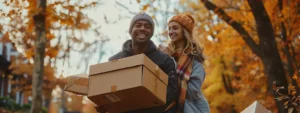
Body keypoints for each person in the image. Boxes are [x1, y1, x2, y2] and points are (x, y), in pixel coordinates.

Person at [99, 12, 178, 113]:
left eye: (147, 26)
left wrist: (143, 98)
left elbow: (173, 91)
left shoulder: (164, 60)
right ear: (131, 30)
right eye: (138, 25)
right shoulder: (114, 61)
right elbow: (107, 91)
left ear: (151, 33)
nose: (142, 28)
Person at [158, 13, 210, 113]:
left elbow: (190, 92)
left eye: (175, 28)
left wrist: (168, 60)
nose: (171, 32)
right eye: (169, 29)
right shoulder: (169, 56)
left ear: (184, 31)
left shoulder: (195, 61)